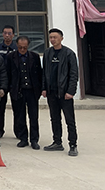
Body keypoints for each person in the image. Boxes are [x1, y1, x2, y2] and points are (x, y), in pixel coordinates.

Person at [42, 28, 79, 157]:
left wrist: (71, 91)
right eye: (51, 37)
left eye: (55, 37)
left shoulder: (69, 54)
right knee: (54, 118)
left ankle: (73, 144)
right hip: (51, 92)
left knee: (70, 120)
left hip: (65, 93)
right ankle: (57, 142)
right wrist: (44, 88)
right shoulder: (47, 53)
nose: (52, 40)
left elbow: (74, 74)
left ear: (61, 38)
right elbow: (44, 72)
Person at [6, 35, 42, 150]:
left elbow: (39, 74)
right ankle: (23, 138)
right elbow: (7, 74)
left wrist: (41, 89)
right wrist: (9, 88)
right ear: (17, 45)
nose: (22, 49)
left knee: (34, 116)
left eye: (24, 47)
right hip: (18, 90)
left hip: (32, 91)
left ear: (28, 46)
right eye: (20, 47)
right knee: (19, 116)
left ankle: (34, 139)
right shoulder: (10, 57)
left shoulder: (35, 57)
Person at [0, 25, 17, 138]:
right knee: (0, 108)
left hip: (14, 82)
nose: (7, 35)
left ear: (13, 35)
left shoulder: (17, 48)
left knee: (17, 108)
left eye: (9, 33)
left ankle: (19, 132)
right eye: (5, 33)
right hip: (1, 82)